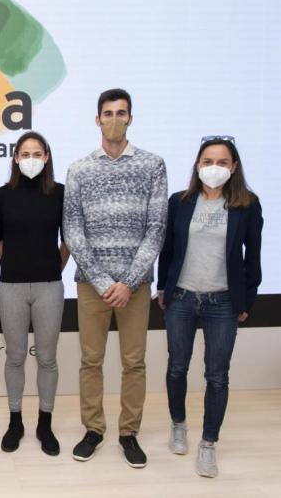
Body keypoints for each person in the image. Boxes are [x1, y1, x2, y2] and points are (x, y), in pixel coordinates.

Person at [63, 88, 167, 468]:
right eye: (107, 113)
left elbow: (156, 228)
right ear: (97, 120)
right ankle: (93, 429)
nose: (114, 120)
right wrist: (104, 282)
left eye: (121, 113)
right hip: (92, 285)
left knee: (134, 362)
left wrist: (129, 281)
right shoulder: (79, 169)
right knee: (90, 361)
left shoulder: (152, 165)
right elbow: (72, 230)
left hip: (135, 287)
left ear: (130, 119)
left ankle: (128, 433)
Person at [158, 136, 262, 478]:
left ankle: (208, 443)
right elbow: (168, 249)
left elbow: (253, 257)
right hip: (182, 298)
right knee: (177, 367)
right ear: (197, 165)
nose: (213, 168)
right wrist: (163, 287)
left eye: (221, 162)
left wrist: (246, 299)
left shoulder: (247, 205)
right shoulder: (180, 201)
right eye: (207, 161)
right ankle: (178, 425)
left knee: (217, 376)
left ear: (233, 167)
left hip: (224, 301)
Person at [0, 131, 69, 455]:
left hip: (50, 286)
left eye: (37, 154)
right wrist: (15, 265)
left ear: (46, 157)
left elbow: (68, 240)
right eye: (25, 154)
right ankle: (15, 421)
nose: (31, 159)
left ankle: (45, 424)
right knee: (15, 357)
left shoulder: (60, 193)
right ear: (15, 158)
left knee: (47, 359)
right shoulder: (0, 196)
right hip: (12, 287)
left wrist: (53, 266)